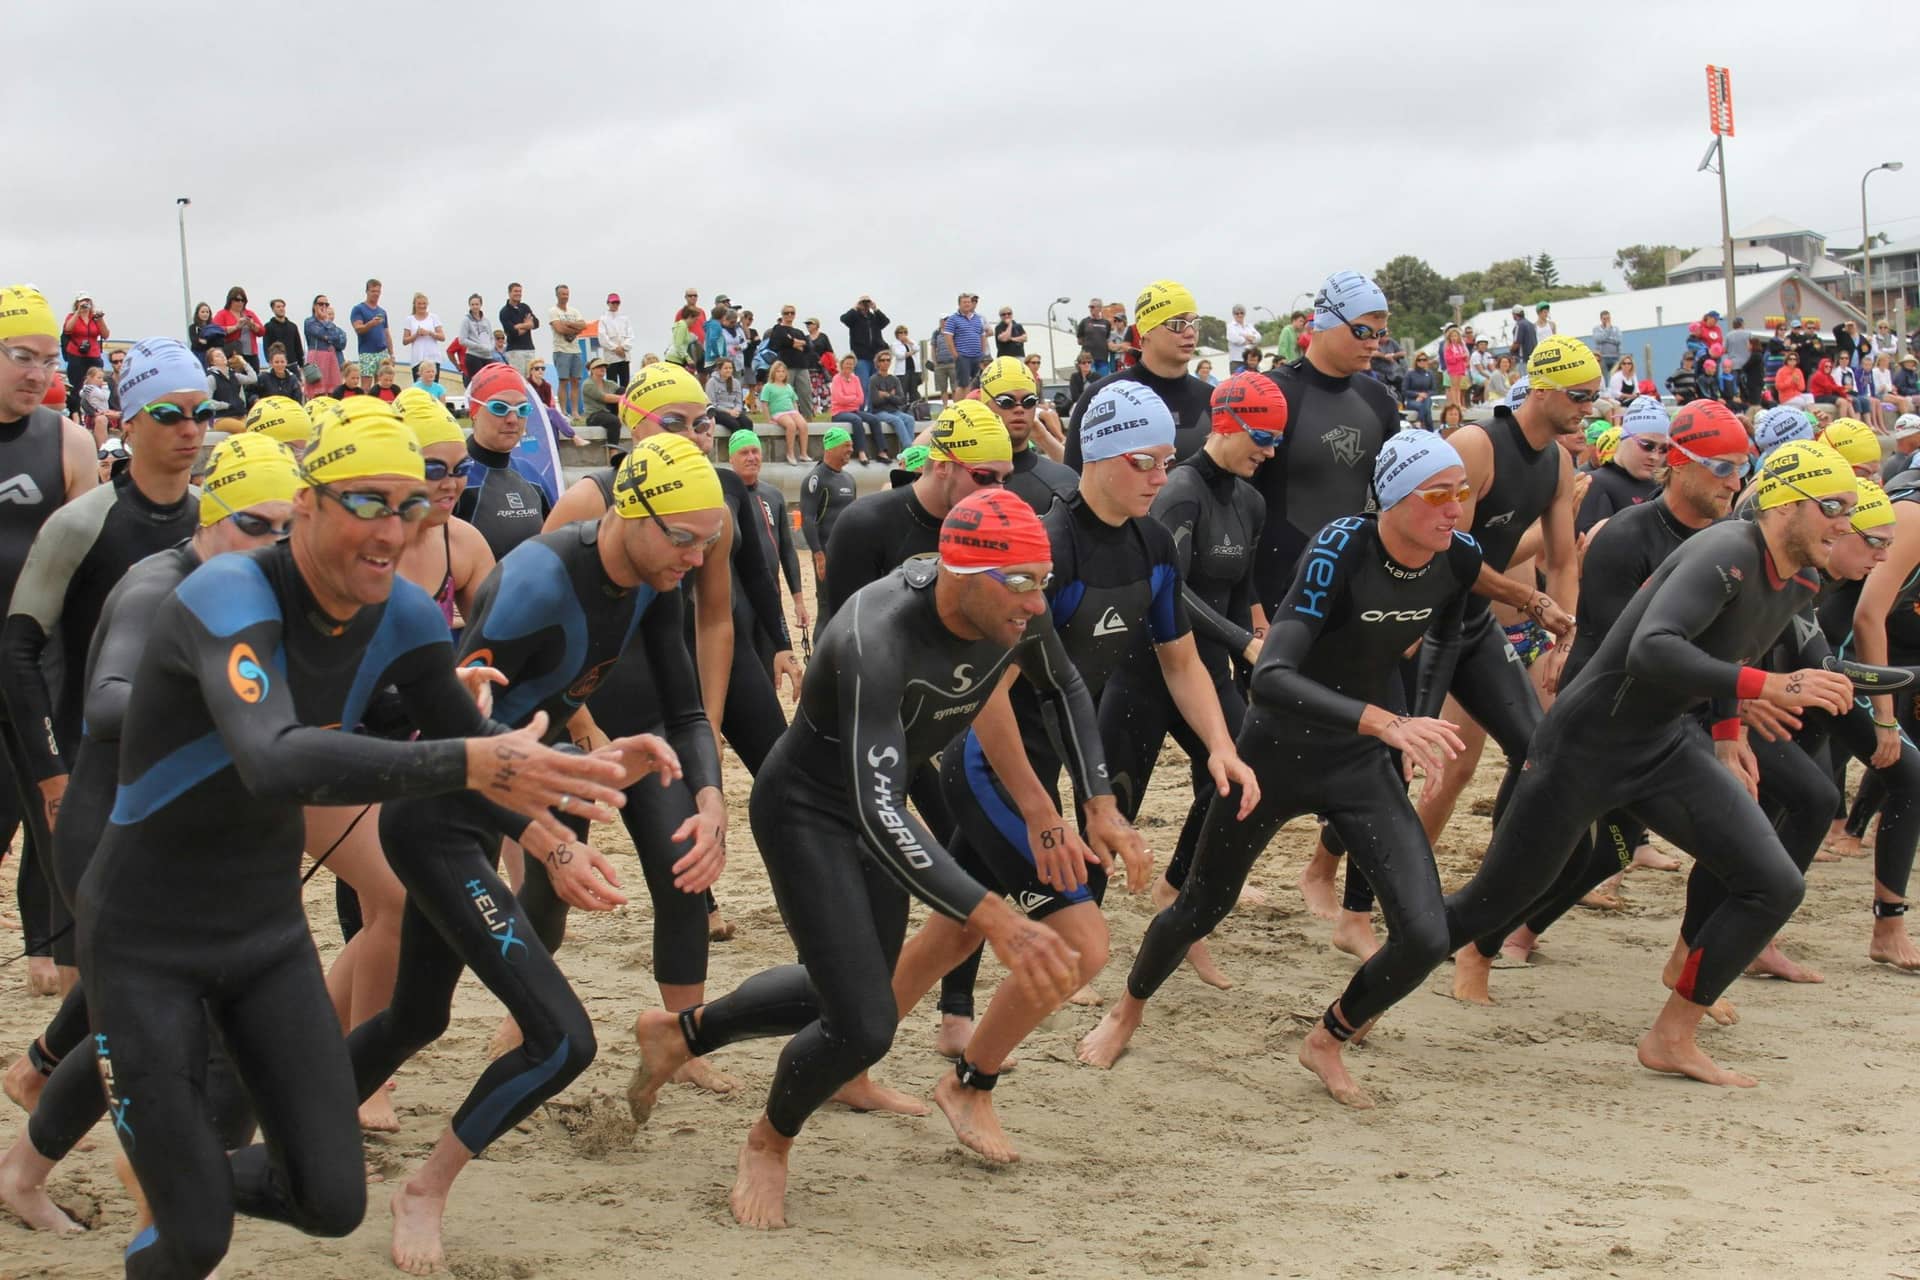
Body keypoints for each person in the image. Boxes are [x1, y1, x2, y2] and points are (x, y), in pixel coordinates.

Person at [75, 400, 629, 1278]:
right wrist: (476, 761)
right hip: (145, 937)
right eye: (366, 501)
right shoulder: (228, 593)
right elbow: (274, 759)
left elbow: (474, 752)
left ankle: (178, 1175)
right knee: (194, 1238)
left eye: (408, 505)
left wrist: (556, 816)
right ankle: (176, 1191)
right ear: (307, 504)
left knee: (331, 1201)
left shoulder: (406, 614)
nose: (392, 528)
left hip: (263, 938)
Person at [625, 488, 1093, 1229]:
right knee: (866, 1022)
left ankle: (679, 1033)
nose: (1037, 604)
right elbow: (877, 813)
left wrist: (1097, 803)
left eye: (1045, 581)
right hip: (807, 811)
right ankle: (769, 1141)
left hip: (877, 804)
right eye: (1021, 583)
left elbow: (1062, 683)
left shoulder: (1009, 607)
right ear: (961, 572)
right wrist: (993, 916)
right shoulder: (874, 633)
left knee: (845, 992)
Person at [345, 429, 719, 1272]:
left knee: (417, 1017)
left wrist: (711, 798)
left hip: (487, 813)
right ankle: (424, 1191)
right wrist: (547, 841)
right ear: (632, 513)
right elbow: (454, 737)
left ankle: (292, 1125)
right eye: (683, 539)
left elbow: (689, 711)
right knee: (562, 1040)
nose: (696, 558)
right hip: (436, 817)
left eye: (709, 542)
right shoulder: (535, 584)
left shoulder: (659, 577)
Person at [1079, 429, 1481, 1110]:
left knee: (1426, 935)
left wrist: (1418, 725)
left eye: (1462, 492)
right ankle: (1127, 1009)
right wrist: (1386, 722)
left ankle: (1327, 1039)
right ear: (1392, 499)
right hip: (1276, 755)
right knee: (1202, 905)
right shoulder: (1340, 549)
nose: (1456, 509)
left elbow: (1446, 636)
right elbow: (1271, 676)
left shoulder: (1460, 556)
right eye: (1437, 495)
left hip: (1359, 762)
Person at [1447, 440, 1858, 1084]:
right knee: (1548, 867)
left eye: (1738, 469)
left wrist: (1728, 732)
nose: (1731, 481)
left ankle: (1675, 1014)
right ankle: (1478, 947)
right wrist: (1757, 690)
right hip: (1595, 724)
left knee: (1744, 865)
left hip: (1670, 729)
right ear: (1681, 463)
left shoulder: (1780, 567)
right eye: (1719, 467)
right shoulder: (1634, 534)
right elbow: (1633, 644)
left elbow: (1730, 645)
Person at [0, 432, 304, 1237]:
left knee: (132, 1020)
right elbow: (106, 702)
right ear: (211, 515)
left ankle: (26, 1164)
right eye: (253, 524)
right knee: (196, 1024)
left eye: (286, 529)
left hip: (187, 839)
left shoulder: (265, 588)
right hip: (110, 836)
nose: (270, 544)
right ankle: (176, 1214)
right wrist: (237, 712)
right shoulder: (157, 586)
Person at [0, 286, 100, 1002]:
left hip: (37, 657)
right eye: (21, 357)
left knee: (53, 800)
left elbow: (86, 564)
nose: (37, 374)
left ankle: (52, 947)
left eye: (47, 359)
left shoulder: (69, 442)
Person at [1248, 270, 1404, 615]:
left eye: (1380, 334)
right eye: (1362, 331)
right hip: (1278, 590)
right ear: (1325, 323)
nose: (1374, 344)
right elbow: (1235, 509)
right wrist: (1251, 607)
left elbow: (1397, 504)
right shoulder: (1272, 394)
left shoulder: (1378, 400)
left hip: (1356, 586)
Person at [1064, 280, 1213, 468]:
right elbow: (1074, 476)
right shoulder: (1102, 396)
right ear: (1146, 331)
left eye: (1195, 323)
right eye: (1177, 324)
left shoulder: (1212, 398)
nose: (1190, 333)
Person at [453, 363, 554, 559]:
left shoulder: (531, 475)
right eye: (499, 408)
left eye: (522, 409)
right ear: (474, 411)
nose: (512, 419)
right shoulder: (453, 478)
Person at [729, 429, 811, 648]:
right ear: (731, 459)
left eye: (755, 451)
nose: (751, 457)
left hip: (770, 596)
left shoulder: (773, 495)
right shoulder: (724, 497)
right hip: (736, 598)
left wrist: (798, 601)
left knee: (775, 658)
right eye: (744, 452)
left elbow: (787, 550)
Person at [980, 356, 1075, 513]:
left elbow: (1081, 478)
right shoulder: (965, 477)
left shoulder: (1062, 479)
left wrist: (1043, 437)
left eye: (1029, 401)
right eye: (1006, 401)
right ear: (985, 406)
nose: (1019, 409)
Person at [1575, 395, 1667, 534]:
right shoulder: (1593, 484)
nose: (1655, 456)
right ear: (1624, 438)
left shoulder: (1663, 486)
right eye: (1647, 445)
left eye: (1664, 449)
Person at [799, 428, 859, 602]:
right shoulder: (816, 479)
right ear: (831, 448)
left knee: (849, 601)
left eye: (851, 445)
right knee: (828, 604)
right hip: (827, 552)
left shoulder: (849, 479)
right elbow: (808, 519)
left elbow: (853, 517)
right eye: (846, 445)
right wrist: (818, 555)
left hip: (848, 551)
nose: (851, 449)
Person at [829, 359, 888, 463]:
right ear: (842, 365)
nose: (849, 366)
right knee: (856, 420)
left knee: (874, 419)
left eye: (851, 364)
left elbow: (861, 399)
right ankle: (861, 452)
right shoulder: (837, 379)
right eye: (847, 363)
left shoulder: (855, 379)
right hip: (839, 412)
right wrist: (853, 398)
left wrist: (849, 399)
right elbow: (839, 399)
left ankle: (881, 452)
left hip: (854, 410)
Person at [60, 295, 108, 413]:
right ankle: (76, 412)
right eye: (82, 301)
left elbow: (105, 335)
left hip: (93, 354)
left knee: (96, 382)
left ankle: (95, 411)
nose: (85, 304)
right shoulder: (72, 316)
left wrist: (100, 319)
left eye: (87, 301)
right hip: (76, 354)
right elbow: (67, 330)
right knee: (77, 385)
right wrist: (78, 312)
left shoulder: (94, 318)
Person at [763, 306, 813, 416]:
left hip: (802, 366)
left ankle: (807, 417)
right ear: (782, 315)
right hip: (785, 367)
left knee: (805, 393)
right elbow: (777, 343)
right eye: (786, 313)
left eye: (792, 313)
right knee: (784, 393)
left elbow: (808, 347)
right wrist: (795, 343)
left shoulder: (799, 332)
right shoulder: (778, 329)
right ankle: (785, 415)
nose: (789, 315)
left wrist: (794, 342)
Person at [548, 284, 587, 419]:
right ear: (557, 295)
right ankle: (564, 411)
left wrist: (569, 324)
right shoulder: (553, 311)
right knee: (563, 381)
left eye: (567, 294)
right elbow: (559, 329)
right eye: (563, 294)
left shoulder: (574, 311)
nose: (565, 296)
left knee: (576, 381)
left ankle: (575, 412)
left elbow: (583, 325)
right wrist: (575, 328)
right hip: (561, 350)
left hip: (576, 350)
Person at [760, 360, 810, 463]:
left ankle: (803, 454)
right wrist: (768, 419)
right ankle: (790, 453)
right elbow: (764, 404)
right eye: (778, 371)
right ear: (773, 373)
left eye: (783, 371)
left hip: (791, 411)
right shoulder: (768, 386)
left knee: (803, 425)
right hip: (778, 413)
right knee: (791, 425)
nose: (781, 374)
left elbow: (794, 401)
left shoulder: (788, 386)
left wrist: (797, 413)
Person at [841, 296, 892, 394]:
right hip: (861, 357)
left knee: (876, 385)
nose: (865, 304)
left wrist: (875, 308)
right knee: (863, 385)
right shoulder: (854, 317)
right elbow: (844, 319)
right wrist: (855, 307)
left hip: (876, 357)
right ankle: (863, 404)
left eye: (867, 302)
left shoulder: (874, 317)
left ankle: (874, 404)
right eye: (863, 302)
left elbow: (885, 321)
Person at [867, 349, 915, 453]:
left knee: (910, 419)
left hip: (894, 410)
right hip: (879, 412)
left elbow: (901, 400)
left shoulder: (894, 379)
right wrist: (892, 396)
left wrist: (886, 395)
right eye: (883, 360)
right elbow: (875, 401)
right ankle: (910, 450)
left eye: (888, 360)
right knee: (897, 420)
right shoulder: (873, 380)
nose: (886, 362)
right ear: (878, 363)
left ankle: (907, 449)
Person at [303, 295, 346, 393]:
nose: (324, 306)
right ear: (314, 306)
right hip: (317, 356)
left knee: (333, 390)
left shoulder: (330, 323)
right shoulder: (309, 322)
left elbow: (337, 338)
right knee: (317, 390)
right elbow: (321, 333)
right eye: (321, 304)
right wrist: (327, 326)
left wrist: (326, 323)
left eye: (326, 304)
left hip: (331, 357)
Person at [349, 279, 390, 378]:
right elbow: (358, 329)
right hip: (367, 352)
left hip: (382, 352)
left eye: (378, 291)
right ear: (367, 291)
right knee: (366, 384)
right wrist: (371, 324)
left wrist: (392, 354)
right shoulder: (358, 309)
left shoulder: (382, 312)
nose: (376, 294)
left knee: (382, 382)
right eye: (373, 291)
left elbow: (387, 333)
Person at [213, 286, 263, 367]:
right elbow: (215, 330)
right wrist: (235, 327)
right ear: (230, 300)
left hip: (251, 355)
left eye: (243, 300)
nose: (240, 302)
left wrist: (252, 325)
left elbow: (262, 331)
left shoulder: (249, 313)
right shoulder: (222, 314)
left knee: (253, 374)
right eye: (237, 300)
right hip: (233, 355)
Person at [498, 282, 539, 374]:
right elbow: (513, 333)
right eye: (516, 291)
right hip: (515, 351)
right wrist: (528, 325)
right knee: (519, 378)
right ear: (509, 293)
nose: (518, 293)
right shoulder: (504, 312)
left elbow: (536, 323)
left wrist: (520, 326)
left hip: (529, 349)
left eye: (520, 291)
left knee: (531, 378)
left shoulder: (525, 307)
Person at [581, 358, 625, 438]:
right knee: (614, 421)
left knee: (622, 390)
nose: (603, 368)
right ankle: (612, 446)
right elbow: (605, 398)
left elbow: (624, 393)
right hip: (594, 415)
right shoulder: (588, 384)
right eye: (599, 366)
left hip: (607, 412)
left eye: (604, 366)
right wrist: (624, 398)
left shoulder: (609, 383)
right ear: (592, 370)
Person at [599, 292, 633, 387]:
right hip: (611, 358)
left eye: (617, 302)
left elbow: (630, 336)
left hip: (624, 357)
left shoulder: (625, 319)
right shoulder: (603, 319)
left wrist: (623, 348)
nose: (615, 305)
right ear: (608, 303)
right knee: (612, 385)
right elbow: (603, 338)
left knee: (625, 385)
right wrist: (615, 349)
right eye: (613, 302)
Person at [261, 299, 302, 372]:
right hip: (277, 365)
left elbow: (298, 346)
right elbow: (266, 346)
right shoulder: (268, 326)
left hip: (292, 365)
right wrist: (269, 361)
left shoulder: (292, 326)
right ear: (273, 309)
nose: (281, 309)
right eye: (278, 307)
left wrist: (301, 363)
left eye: (283, 306)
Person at [1077, 298, 1113, 377]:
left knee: (1103, 381)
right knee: (1091, 380)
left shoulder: (1106, 323)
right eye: (1090, 307)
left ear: (1100, 308)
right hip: (1088, 359)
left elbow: (1107, 339)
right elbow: (1079, 340)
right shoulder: (1084, 322)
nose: (1091, 309)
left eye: (1093, 307)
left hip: (1103, 358)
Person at [1402, 351, 1438, 427]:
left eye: (1424, 360)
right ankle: (1429, 430)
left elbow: (1434, 390)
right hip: (1413, 400)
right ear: (1416, 361)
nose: (1422, 361)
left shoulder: (1430, 373)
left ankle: (1419, 422)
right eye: (1419, 360)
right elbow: (1404, 391)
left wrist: (1424, 395)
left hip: (1426, 399)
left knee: (1426, 407)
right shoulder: (1410, 374)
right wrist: (1418, 394)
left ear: (1427, 361)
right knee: (1425, 408)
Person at [1226, 306, 1260, 374]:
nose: (1239, 315)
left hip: (1250, 361)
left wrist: (1244, 336)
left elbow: (1258, 337)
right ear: (1233, 314)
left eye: (1241, 313)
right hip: (1237, 360)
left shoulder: (1249, 325)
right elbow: (1235, 339)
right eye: (1237, 313)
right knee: (1238, 380)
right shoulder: (1230, 326)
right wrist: (1249, 339)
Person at [1590, 309, 1623, 375]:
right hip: (1602, 358)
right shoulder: (1596, 329)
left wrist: (1605, 339)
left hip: (1615, 357)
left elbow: (1618, 340)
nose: (1607, 320)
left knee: (1615, 375)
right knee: (1606, 377)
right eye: (1605, 319)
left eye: (1608, 318)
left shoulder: (1616, 329)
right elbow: (1598, 340)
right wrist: (1607, 330)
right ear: (1601, 319)